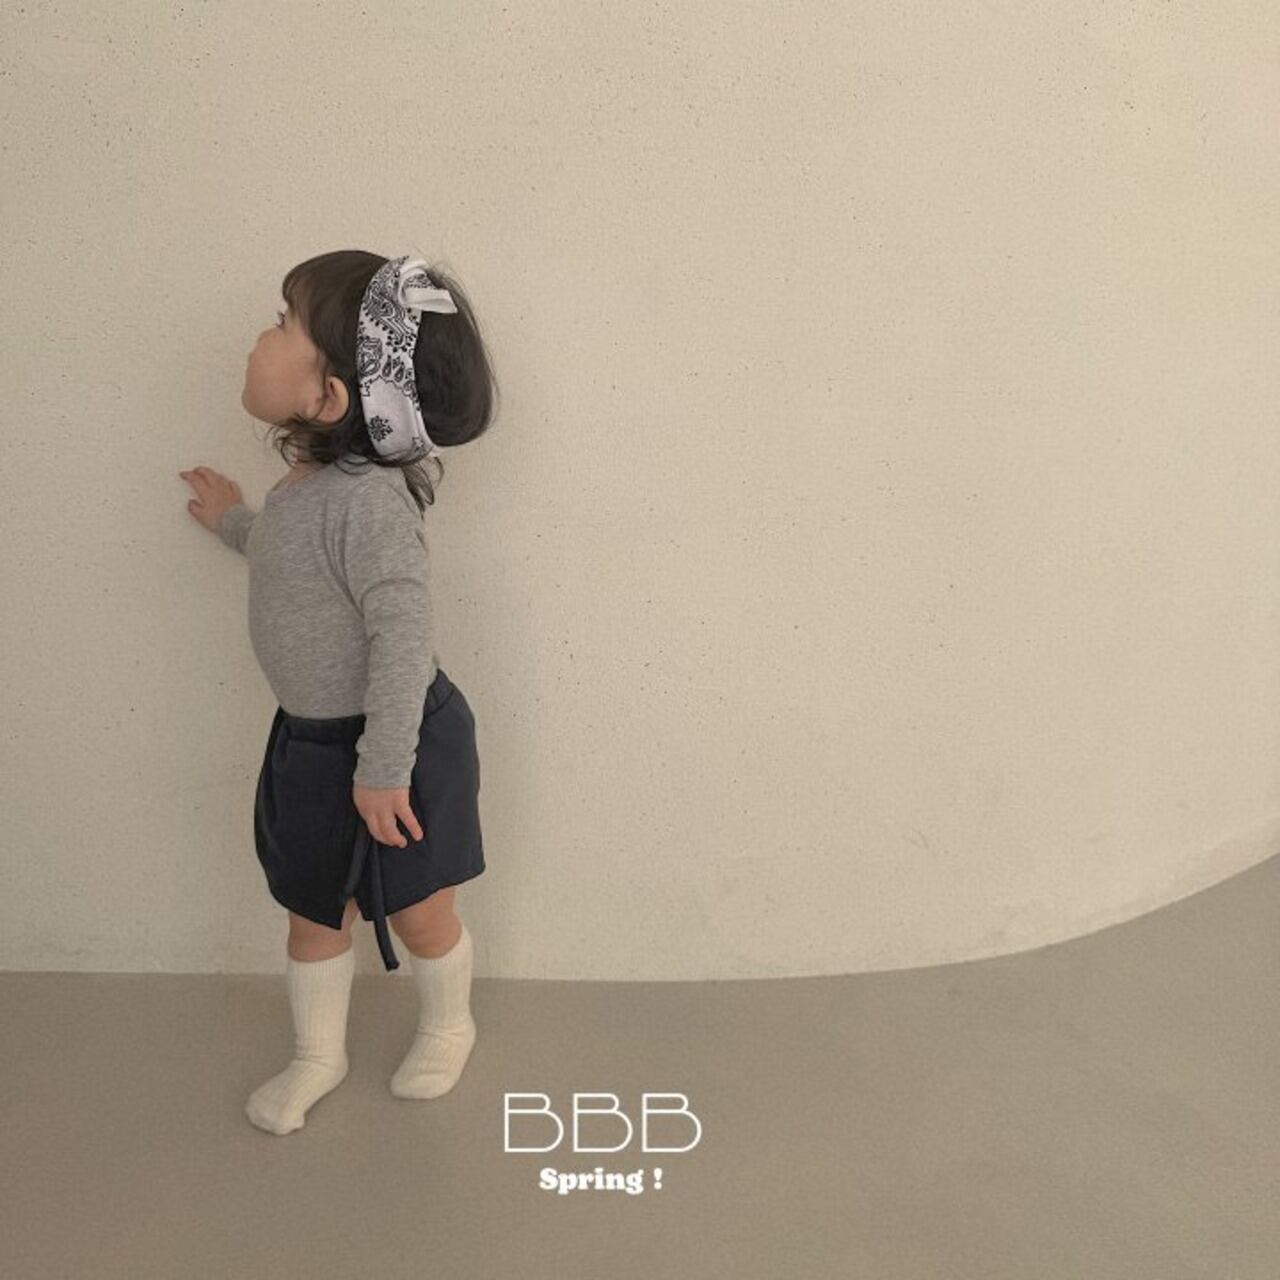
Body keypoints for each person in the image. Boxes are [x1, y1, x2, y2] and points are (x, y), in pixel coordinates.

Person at [179, 251, 498, 1136]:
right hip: (313, 745)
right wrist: (232, 521)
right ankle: (317, 1055)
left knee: (422, 907)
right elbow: (290, 558)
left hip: (399, 744)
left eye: (282, 322)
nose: (260, 334)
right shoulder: (306, 486)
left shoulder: (369, 503)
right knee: (314, 908)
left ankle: (449, 1023)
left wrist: (384, 768)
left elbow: (402, 636)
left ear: (329, 397)